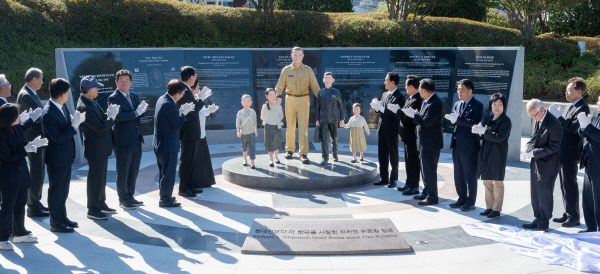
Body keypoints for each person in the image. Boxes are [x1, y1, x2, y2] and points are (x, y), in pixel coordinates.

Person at [0, 104, 46, 250]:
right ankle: (1, 239)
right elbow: (7, 157)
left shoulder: (16, 127)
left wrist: (32, 118)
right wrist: (26, 150)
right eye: (17, 115)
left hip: (21, 173)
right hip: (8, 176)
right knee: (7, 207)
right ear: (10, 118)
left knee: (20, 205)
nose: (19, 117)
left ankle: (19, 233)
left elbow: (24, 126)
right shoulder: (1, 134)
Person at [42, 78, 85, 233]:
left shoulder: (62, 106)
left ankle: (62, 217)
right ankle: (55, 222)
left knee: (63, 190)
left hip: (66, 156)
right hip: (56, 158)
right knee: (56, 191)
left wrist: (74, 122)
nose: (68, 94)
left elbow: (65, 128)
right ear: (61, 94)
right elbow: (57, 137)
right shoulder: (48, 113)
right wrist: (74, 126)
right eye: (67, 92)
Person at [548, 77, 589, 227]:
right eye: (567, 89)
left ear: (579, 92)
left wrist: (559, 117)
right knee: (563, 184)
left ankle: (574, 216)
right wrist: (557, 117)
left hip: (571, 152)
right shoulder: (570, 106)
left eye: (570, 89)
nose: (567, 92)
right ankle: (568, 212)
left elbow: (573, 129)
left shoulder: (582, 107)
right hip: (562, 150)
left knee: (570, 184)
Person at [76, 76, 119, 220]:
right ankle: (93, 209)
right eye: (95, 87)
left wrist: (108, 114)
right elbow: (99, 127)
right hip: (95, 148)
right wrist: (111, 118)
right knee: (95, 179)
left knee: (101, 178)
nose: (98, 89)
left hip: (100, 147)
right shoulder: (84, 106)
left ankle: (101, 203)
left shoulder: (90, 101)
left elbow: (101, 120)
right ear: (89, 90)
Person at [107, 70, 148, 210]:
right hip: (123, 140)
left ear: (131, 82)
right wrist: (136, 112)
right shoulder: (113, 98)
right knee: (123, 170)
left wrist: (143, 111)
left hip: (136, 138)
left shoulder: (134, 96)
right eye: (121, 80)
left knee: (134, 169)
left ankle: (130, 195)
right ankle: (123, 199)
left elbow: (138, 115)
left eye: (127, 80)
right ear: (116, 82)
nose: (124, 82)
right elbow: (118, 117)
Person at [521, 99, 562, 232]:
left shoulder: (554, 124)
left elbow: (554, 147)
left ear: (542, 111)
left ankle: (544, 222)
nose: (532, 118)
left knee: (544, 194)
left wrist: (534, 153)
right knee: (535, 193)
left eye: (533, 115)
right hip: (536, 162)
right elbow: (534, 136)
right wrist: (528, 149)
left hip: (548, 164)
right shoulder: (536, 117)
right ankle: (537, 218)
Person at [275, 47, 320, 164]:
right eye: (295, 55)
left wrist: (322, 98)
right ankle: (289, 150)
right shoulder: (286, 70)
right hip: (290, 99)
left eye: (299, 55)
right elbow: (279, 86)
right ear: (291, 55)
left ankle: (303, 153)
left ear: (303, 56)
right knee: (290, 126)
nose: (297, 57)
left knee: (303, 128)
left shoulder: (308, 70)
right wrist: (276, 96)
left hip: (304, 100)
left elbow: (315, 86)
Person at [402, 78, 444, 206]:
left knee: (429, 170)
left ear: (425, 90)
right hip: (424, 142)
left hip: (431, 143)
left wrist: (413, 115)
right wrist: (415, 114)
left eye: (420, 89)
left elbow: (426, 122)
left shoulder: (435, 103)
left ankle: (432, 197)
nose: (419, 91)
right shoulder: (427, 101)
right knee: (424, 170)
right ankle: (426, 191)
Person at [153, 79, 194, 207]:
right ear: (177, 93)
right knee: (168, 173)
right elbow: (176, 124)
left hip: (160, 143)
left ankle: (165, 195)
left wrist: (179, 112)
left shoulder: (162, 99)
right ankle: (165, 199)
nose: (182, 96)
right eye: (182, 94)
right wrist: (183, 114)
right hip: (168, 144)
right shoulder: (169, 104)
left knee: (163, 172)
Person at [445, 79, 483, 211]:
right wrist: (451, 121)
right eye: (458, 90)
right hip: (457, 144)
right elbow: (455, 122)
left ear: (470, 91)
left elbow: (474, 123)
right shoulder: (457, 104)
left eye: (462, 90)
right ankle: (461, 198)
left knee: (470, 174)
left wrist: (458, 120)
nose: (459, 92)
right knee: (458, 173)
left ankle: (471, 201)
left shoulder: (477, 105)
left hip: (469, 145)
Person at [472, 93, 512, 218]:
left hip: (498, 153)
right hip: (486, 151)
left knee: (498, 181)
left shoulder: (506, 121)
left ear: (504, 106)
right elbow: (484, 134)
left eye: (500, 104)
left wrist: (485, 132)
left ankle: (497, 208)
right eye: (494, 104)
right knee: (487, 181)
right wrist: (479, 132)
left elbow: (500, 138)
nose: (497, 107)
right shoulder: (489, 118)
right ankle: (489, 206)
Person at [16, 68, 49, 218]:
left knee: (40, 171)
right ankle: (32, 206)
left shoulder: (30, 93)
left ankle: (36, 200)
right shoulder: (25, 95)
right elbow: (36, 117)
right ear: (34, 79)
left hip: (37, 138)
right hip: (33, 138)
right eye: (41, 78)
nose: (43, 81)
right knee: (36, 172)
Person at [177, 66, 212, 197]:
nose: (196, 78)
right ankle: (183, 188)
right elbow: (193, 110)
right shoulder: (185, 91)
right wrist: (201, 99)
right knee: (186, 160)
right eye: (195, 76)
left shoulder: (185, 89)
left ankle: (190, 186)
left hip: (192, 131)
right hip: (188, 131)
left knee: (191, 160)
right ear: (191, 77)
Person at [371, 72, 405, 188]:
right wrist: (377, 107)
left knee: (393, 155)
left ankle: (393, 179)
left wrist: (382, 108)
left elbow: (396, 114)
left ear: (393, 82)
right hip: (382, 129)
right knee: (382, 155)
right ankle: (383, 178)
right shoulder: (385, 94)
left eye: (386, 80)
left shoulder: (400, 97)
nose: (384, 82)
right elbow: (382, 109)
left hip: (392, 130)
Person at [396, 75, 423, 196]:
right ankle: (409, 182)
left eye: (406, 85)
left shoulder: (418, 100)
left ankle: (414, 186)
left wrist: (397, 112)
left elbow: (411, 119)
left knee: (413, 161)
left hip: (412, 135)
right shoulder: (410, 98)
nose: (405, 87)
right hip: (407, 136)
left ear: (412, 87)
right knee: (408, 160)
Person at [577, 95, 600, 232]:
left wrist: (588, 127)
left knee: (598, 200)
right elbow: (587, 133)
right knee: (588, 198)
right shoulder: (597, 114)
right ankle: (590, 226)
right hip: (588, 161)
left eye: (599, 100)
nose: (597, 103)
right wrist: (582, 128)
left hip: (598, 164)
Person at [315, 72, 345, 165]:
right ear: (323, 80)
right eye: (326, 78)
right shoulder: (320, 92)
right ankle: (325, 157)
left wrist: (342, 118)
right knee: (324, 139)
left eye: (329, 78)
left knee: (334, 138)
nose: (327, 80)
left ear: (333, 80)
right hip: (323, 119)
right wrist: (317, 119)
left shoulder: (336, 92)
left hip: (334, 119)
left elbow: (341, 106)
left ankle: (335, 155)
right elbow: (317, 107)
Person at [194, 79, 218, 188]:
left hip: (202, 133)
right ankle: (197, 182)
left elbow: (201, 113)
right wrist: (207, 111)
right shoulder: (192, 99)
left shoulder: (198, 98)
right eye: (197, 86)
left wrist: (209, 110)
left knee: (203, 159)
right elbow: (194, 116)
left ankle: (205, 181)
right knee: (196, 159)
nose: (199, 88)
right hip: (195, 133)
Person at [261, 88, 284, 167]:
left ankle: (276, 155)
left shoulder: (278, 106)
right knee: (269, 142)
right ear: (266, 96)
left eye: (274, 95)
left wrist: (275, 120)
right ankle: (270, 158)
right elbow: (262, 116)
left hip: (277, 126)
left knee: (277, 142)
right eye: (270, 95)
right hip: (268, 126)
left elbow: (281, 116)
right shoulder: (264, 107)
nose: (272, 97)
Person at [236, 94, 258, 168]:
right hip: (243, 133)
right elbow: (237, 123)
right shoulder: (239, 113)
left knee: (252, 147)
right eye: (244, 101)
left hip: (251, 133)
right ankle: (245, 159)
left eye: (248, 101)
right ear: (242, 102)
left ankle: (252, 161)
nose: (246, 103)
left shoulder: (253, 112)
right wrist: (238, 132)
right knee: (244, 147)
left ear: (251, 102)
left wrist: (256, 131)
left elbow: (255, 123)